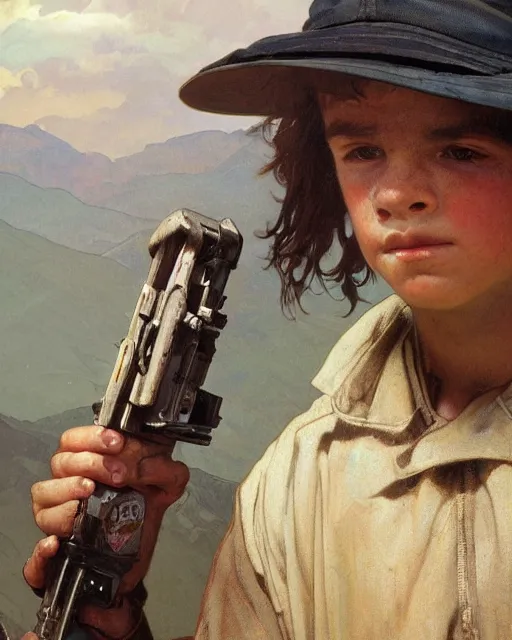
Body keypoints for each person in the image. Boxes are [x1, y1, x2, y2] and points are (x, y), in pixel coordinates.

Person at [20, 0, 512, 637]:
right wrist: (108, 609)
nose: (396, 193)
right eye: (363, 149)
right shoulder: (297, 481)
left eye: (463, 151)